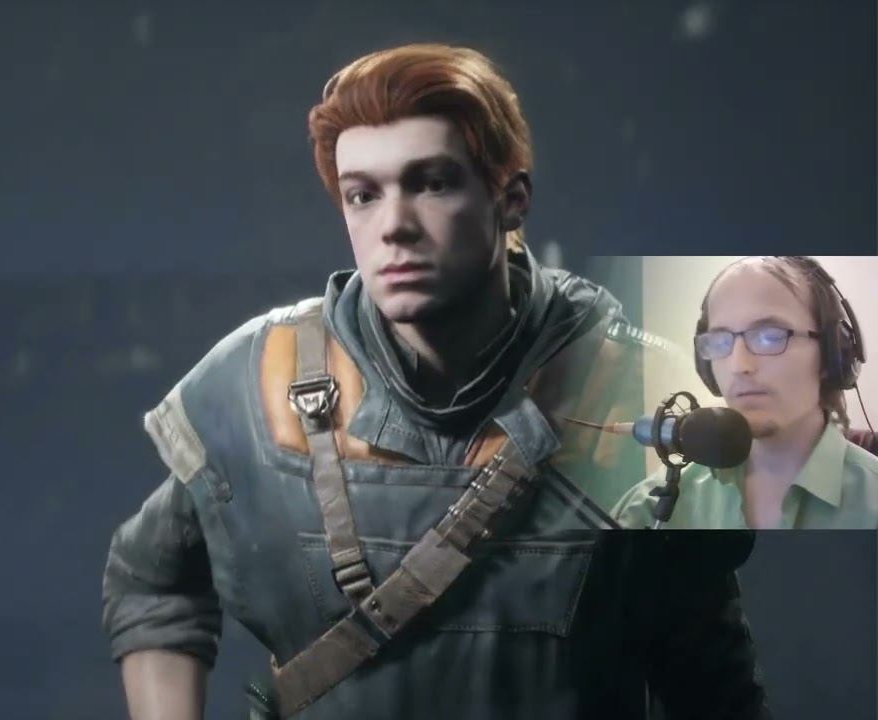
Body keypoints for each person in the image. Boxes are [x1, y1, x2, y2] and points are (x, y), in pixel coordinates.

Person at [103, 44, 769, 719]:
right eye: (362, 195)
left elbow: (711, 677)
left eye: (432, 183)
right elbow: (152, 580)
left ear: (511, 199)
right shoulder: (259, 386)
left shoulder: (637, 397)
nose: (394, 226)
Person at [614, 256, 878, 529]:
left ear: (833, 353)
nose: (738, 366)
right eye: (719, 341)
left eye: (770, 336)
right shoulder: (653, 506)